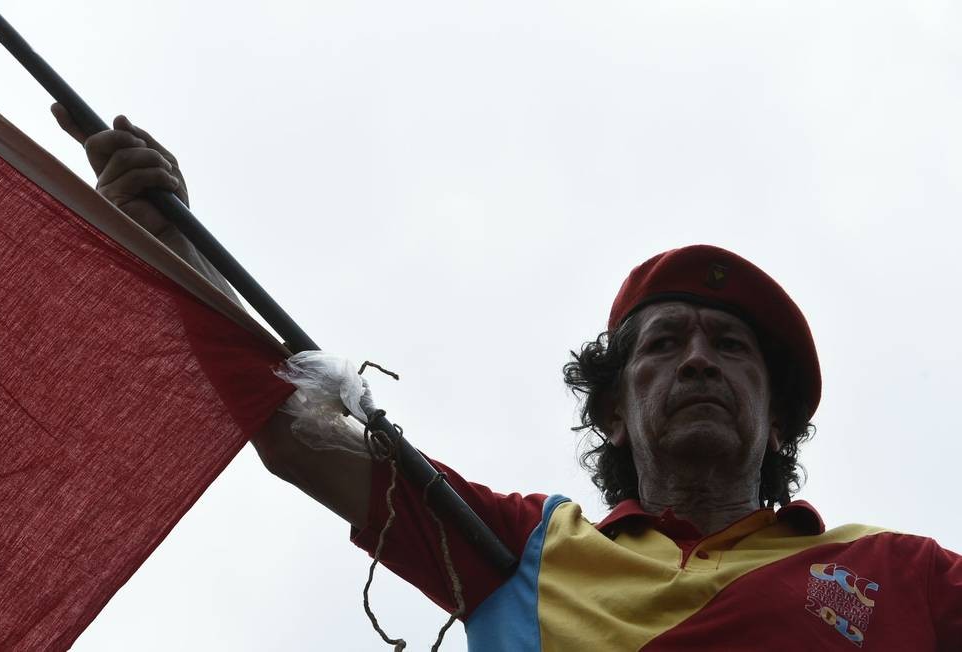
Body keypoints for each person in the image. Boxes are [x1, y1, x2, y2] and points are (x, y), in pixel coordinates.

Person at [53, 106, 962, 650]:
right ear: (611, 414)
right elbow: (295, 434)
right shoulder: (519, 548)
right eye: (665, 344)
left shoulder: (900, 573)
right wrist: (169, 240)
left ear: (776, 426)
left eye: (732, 348)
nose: (697, 359)